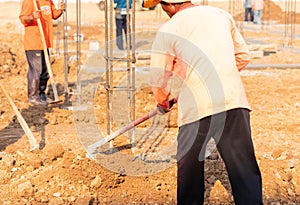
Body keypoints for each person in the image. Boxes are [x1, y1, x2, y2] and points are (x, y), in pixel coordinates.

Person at [143, 0, 263, 204]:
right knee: (245, 172)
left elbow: (158, 78)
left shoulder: (169, 29)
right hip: (232, 101)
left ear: (169, 5)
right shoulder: (220, 15)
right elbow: (243, 56)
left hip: (196, 108)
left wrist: (163, 102)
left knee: (189, 176)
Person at [19, 0, 65, 105]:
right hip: (34, 43)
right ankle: (33, 96)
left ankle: (42, 95)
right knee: (36, 70)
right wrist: (32, 17)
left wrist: (61, 10)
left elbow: (53, 15)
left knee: (45, 70)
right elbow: (22, 18)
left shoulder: (48, 1)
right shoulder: (31, 1)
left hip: (45, 42)